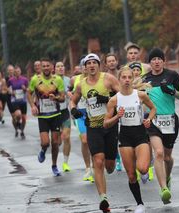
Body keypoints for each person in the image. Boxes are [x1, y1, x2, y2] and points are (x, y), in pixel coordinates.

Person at [70, 53, 119, 212]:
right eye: (88, 63)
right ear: (85, 67)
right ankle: (103, 197)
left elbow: (122, 95)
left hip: (110, 125)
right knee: (98, 161)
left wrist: (107, 100)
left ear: (99, 65)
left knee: (109, 166)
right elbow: (73, 100)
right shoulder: (81, 85)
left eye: (94, 62)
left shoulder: (108, 79)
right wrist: (73, 109)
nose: (91, 65)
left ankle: (111, 164)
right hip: (93, 126)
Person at [103, 67, 156, 213]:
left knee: (143, 168)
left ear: (133, 79)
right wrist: (117, 117)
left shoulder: (140, 95)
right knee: (132, 175)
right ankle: (140, 204)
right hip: (125, 136)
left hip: (140, 134)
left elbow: (153, 109)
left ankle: (146, 169)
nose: (126, 80)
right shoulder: (114, 100)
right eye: (124, 77)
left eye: (129, 77)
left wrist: (149, 120)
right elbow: (106, 123)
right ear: (119, 79)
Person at [142, 48, 179, 204]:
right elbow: (139, 99)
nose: (156, 61)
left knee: (167, 157)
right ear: (150, 62)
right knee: (158, 153)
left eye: (159, 59)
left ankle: (168, 176)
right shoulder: (145, 79)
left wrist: (171, 92)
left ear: (163, 61)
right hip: (153, 121)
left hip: (170, 120)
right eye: (153, 59)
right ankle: (164, 188)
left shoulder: (172, 76)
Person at [27, 58, 65, 176]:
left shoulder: (58, 80)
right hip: (43, 116)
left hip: (55, 115)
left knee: (55, 143)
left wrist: (56, 98)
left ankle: (54, 165)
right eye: (43, 66)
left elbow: (63, 97)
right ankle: (43, 150)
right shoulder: (35, 80)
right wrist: (33, 106)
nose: (46, 68)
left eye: (48, 65)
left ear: (52, 67)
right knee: (45, 142)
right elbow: (28, 93)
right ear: (41, 68)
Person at [69, 58, 94, 182]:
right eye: (84, 65)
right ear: (81, 67)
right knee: (84, 141)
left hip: (94, 114)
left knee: (94, 140)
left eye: (89, 64)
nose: (86, 67)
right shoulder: (76, 79)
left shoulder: (95, 79)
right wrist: (71, 97)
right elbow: (69, 91)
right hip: (81, 113)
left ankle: (95, 166)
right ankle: (87, 168)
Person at [104, 53, 123, 172]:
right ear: (106, 64)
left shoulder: (122, 74)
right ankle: (118, 159)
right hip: (111, 110)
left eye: (113, 60)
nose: (111, 63)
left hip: (124, 107)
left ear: (116, 61)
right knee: (114, 136)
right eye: (109, 61)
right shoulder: (104, 78)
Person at [55, 61, 73, 172]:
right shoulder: (51, 81)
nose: (61, 68)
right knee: (57, 141)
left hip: (65, 112)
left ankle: (65, 163)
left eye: (62, 66)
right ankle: (55, 161)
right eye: (58, 66)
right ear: (54, 69)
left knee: (66, 137)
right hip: (54, 113)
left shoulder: (68, 80)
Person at [7, 65, 29, 139]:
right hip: (15, 101)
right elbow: (8, 89)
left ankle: (22, 131)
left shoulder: (25, 80)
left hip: (23, 101)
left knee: (24, 118)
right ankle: (17, 127)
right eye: (15, 72)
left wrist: (25, 88)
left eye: (18, 71)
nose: (17, 73)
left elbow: (29, 89)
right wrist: (11, 92)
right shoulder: (10, 80)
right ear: (14, 72)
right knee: (18, 115)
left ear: (20, 72)